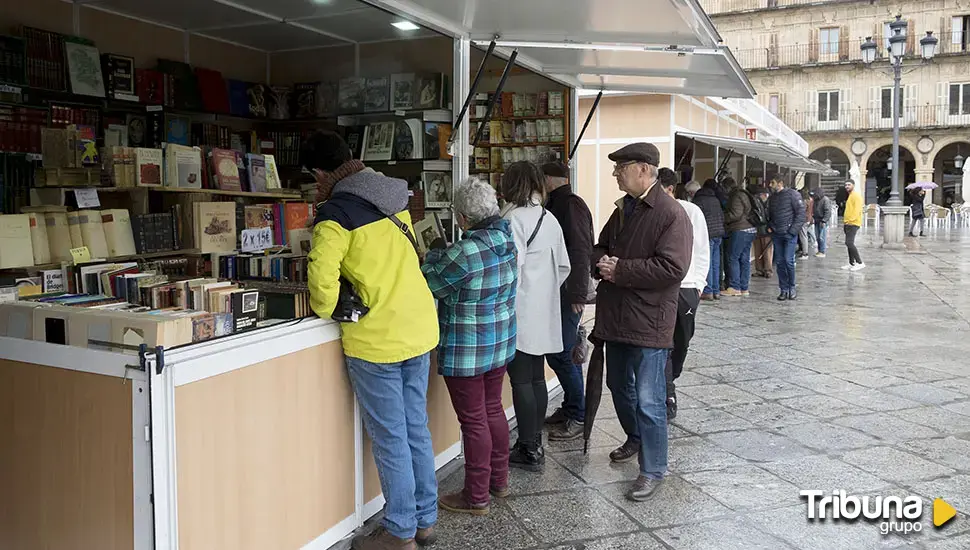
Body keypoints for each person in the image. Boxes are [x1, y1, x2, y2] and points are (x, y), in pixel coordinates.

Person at [304, 131, 439, 550]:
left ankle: (400, 532)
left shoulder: (335, 214)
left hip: (377, 337)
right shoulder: (394, 197)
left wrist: (331, 308)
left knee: (390, 436)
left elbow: (321, 283)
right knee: (415, 425)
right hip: (418, 327)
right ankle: (426, 520)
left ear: (321, 173)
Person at [592, 143, 692, 502]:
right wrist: (601, 262)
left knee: (650, 399)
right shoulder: (624, 209)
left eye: (621, 167)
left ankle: (653, 469)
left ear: (645, 170)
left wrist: (619, 269)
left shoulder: (670, 213)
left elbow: (672, 268)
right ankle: (635, 437)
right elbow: (600, 245)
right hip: (617, 316)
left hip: (649, 321)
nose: (616, 174)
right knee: (619, 386)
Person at [421, 178, 517, 516]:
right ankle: (499, 481)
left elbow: (431, 282)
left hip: (467, 348)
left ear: (463, 218)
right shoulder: (506, 239)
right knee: (493, 410)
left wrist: (432, 251)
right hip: (499, 342)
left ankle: (476, 496)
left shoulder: (465, 251)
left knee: (474, 420)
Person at [500, 161, 570, 471]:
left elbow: (509, 267)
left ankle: (528, 447)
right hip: (543, 309)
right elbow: (564, 266)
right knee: (536, 377)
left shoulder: (513, 218)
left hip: (518, 309)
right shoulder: (549, 217)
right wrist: (544, 289)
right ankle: (534, 444)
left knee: (520, 380)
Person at [540, 161, 594, 442]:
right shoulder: (560, 203)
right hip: (558, 291)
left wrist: (576, 293)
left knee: (562, 353)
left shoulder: (570, 205)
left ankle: (578, 414)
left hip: (567, 292)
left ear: (551, 179)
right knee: (559, 352)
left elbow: (580, 250)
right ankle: (573, 406)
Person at [658, 168, 709, 421]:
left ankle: (671, 377)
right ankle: (668, 393)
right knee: (664, 343)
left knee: (682, 342)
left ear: (670, 189)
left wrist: (699, 285)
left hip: (687, 288)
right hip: (661, 289)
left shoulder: (691, 212)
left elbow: (702, 249)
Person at [766, 174, 805, 301]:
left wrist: (792, 231)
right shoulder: (772, 198)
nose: (770, 185)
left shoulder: (793, 195)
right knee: (780, 263)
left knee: (788, 261)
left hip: (789, 234)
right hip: (777, 233)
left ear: (780, 183)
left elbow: (800, 215)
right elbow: (769, 214)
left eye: (772, 182)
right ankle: (783, 289)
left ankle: (792, 287)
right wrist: (771, 226)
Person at [722, 179, 758, 297]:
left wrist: (723, 217)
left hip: (740, 229)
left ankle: (734, 287)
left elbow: (735, 214)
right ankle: (744, 288)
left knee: (733, 257)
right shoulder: (744, 193)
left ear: (727, 187)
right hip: (750, 229)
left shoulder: (736, 196)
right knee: (744, 259)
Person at [692, 179, 725, 301]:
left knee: (707, 263)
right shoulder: (715, 199)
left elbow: (696, 219)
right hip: (719, 233)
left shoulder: (698, 200)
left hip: (708, 234)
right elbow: (722, 216)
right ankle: (716, 290)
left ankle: (708, 291)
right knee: (716, 263)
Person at [751, 186, 775, 280]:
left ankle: (768, 270)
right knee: (758, 250)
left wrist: (772, 227)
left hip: (767, 229)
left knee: (767, 251)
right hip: (758, 229)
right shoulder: (758, 202)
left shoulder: (771, 203)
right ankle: (759, 269)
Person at [842, 180, 866, 271]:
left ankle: (860, 262)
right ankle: (851, 263)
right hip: (848, 223)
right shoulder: (850, 195)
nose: (847, 186)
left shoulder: (856, 196)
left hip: (853, 223)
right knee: (849, 244)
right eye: (846, 185)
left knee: (849, 243)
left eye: (849, 184)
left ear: (853, 185)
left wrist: (850, 220)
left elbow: (857, 210)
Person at [812, 188, 834, 257]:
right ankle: (820, 250)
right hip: (817, 220)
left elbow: (828, 211)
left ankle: (822, 251)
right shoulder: (816, 200)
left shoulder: (825, 200)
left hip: (822, 221)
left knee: (822, 237)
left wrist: (824, 220)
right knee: (817, 236)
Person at [797, 188, 814, 260]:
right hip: (809, 218)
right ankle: (804, 251)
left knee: (803, 236)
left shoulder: (804, 201)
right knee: (805, 235)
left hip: (804, 219)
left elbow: (802, 210)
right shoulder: (810, 199)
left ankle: (805, 253)